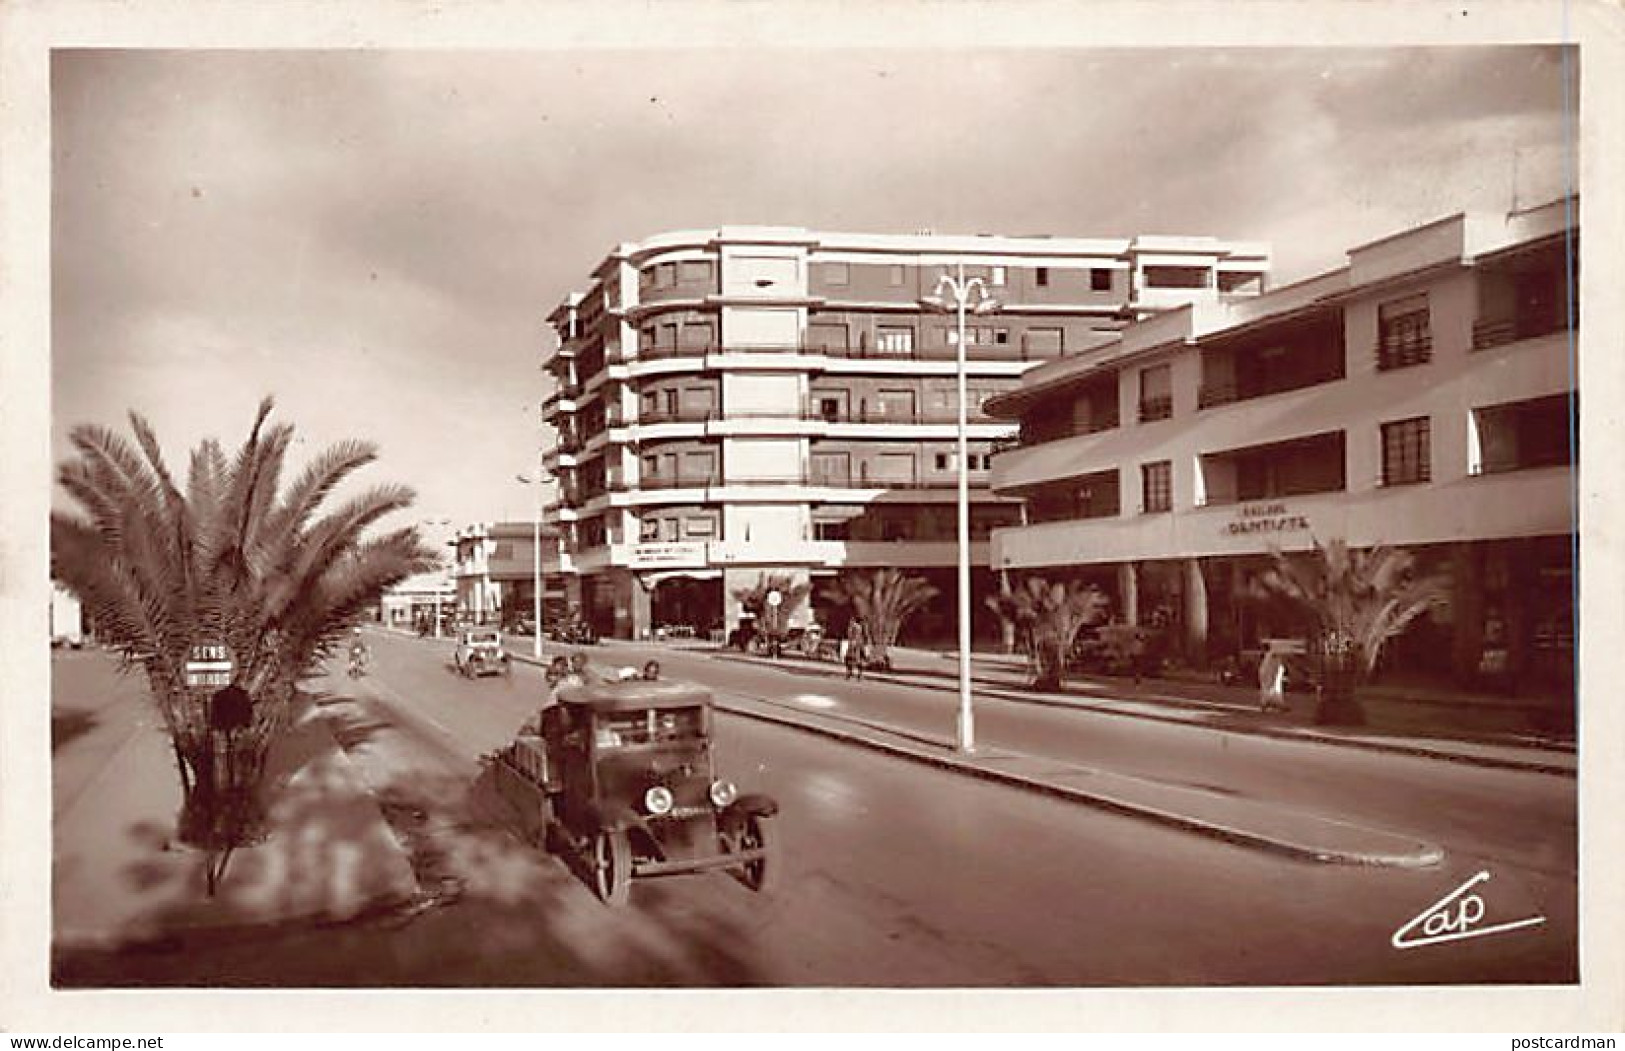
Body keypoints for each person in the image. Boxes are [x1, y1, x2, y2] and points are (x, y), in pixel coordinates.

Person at [1258, 646, 1288, 713]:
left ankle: (1275, 704)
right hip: (1268, 674)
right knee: (1268, 688)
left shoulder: (1270, 656)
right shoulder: (1271, 654)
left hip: (1270, 674)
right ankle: (1265, 704)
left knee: (1274, 689)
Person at [844, 615, 870, 681]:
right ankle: (853, 673)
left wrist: (855, 642)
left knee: (854, 659)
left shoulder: (857, 627)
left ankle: (855, 673)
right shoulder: (855, 627)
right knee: (851, 659)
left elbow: (855, 636)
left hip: (856, 644)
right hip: (856, 644)